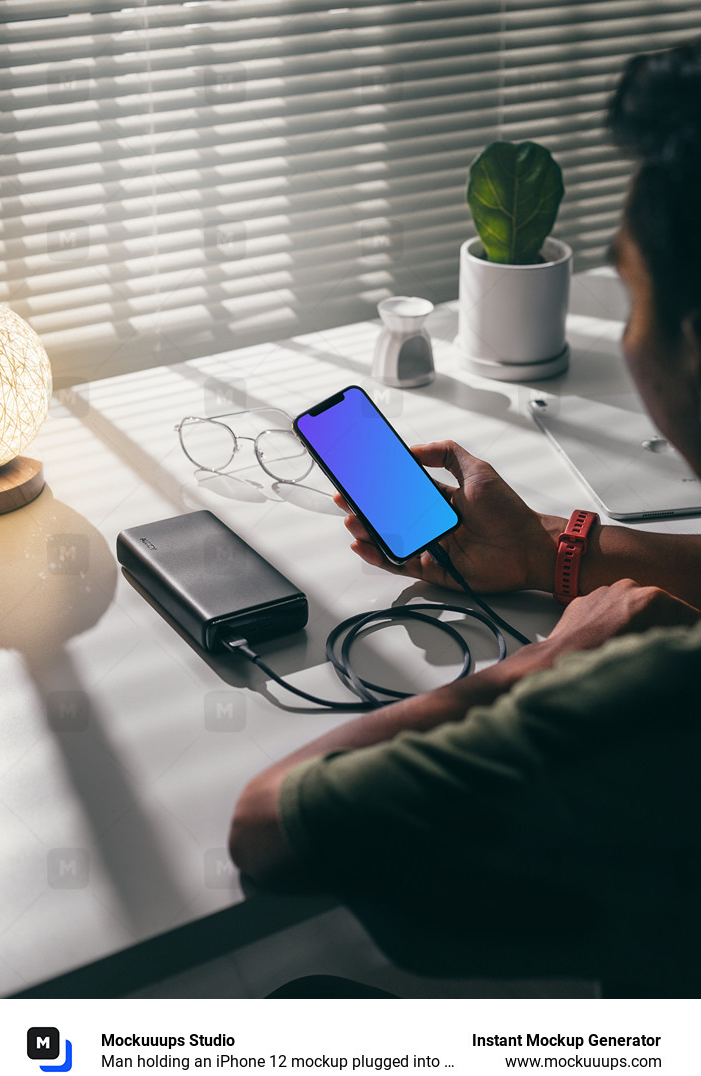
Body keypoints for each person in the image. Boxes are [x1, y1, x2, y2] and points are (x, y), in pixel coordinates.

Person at [229, 42, 701, 996]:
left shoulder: (655, 695)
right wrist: (547, 550)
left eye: (631, 292)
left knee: (302, 1005)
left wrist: (554, 657)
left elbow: (271, 828)